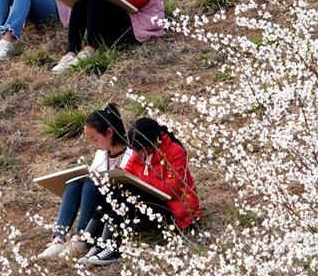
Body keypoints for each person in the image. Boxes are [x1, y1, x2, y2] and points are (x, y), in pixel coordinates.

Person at [76, 116, 202, 266]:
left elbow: (172, 189)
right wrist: (117, 175)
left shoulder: (175, 152)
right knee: (114, 189)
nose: (137, 154)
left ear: (153, 142)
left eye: (140, 150)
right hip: (148, 206)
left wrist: (140, 180)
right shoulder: (139, 150)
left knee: (130, 190)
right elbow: (127, 173)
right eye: (135, 149)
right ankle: (99, 242)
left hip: (173, 212)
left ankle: (114, 246)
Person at [37, 104, 133, 260]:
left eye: (95, 139)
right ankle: (59, 237)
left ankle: (83, 237)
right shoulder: (101, 154)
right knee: (74, 184)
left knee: (91, 183)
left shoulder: (132, 153)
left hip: (117, 203)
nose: (93, 145)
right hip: (97, 199)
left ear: (109, 132)